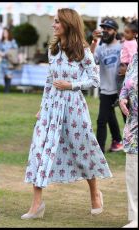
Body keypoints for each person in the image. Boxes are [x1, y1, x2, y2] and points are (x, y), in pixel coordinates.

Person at [21, 8, 112, 220]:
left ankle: (95, 193)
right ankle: (36, 205)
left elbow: (94, 81)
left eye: (56, 22)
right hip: (51, 107)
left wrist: (71, 85)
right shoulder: (53, 50)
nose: (53, 25)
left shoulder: (82, 50)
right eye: (53, 22)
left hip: (74, 107)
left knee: (83, 151)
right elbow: (48, 82)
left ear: (68, 24)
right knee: (39, 150)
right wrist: (42, 108)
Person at [90, 18, 124, 153]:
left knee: (128, 119)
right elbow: (90, 61)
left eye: (108, 29)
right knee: (102, 120)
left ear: (115, 31)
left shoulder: (122, 45)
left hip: (121, 90)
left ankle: (127, 144)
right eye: (103, 28)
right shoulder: (100, 48)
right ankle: (100, 151)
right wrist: (93, 42)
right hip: (105, 90)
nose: (105, 31)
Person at [119, 50, 138, 228]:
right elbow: (126, 84)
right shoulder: (135, 59)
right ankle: (135, 217)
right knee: (133, 172)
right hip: (134, 127)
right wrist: (122, 98)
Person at [113, 20, 138, 109]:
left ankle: (122, 98)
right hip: (123, 64)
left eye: (127, 33)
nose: (125, 34)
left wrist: (128, 68)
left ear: (135, 34)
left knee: (122, 83)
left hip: (127, 65)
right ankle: (120, 97)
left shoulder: (132, 43)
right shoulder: (127, 41)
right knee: (119, 82)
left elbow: (133, 56)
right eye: (125, 31)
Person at [0, 27, 18, 93]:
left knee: (9, 75)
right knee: (5, 75)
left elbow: (15, 49)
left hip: (10, 61)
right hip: (3, 61)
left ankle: (7, 90)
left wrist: (7, 53)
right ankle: (6, 88)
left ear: (9, 33)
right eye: (4, 33)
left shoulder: (12, 41)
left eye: (6, 32)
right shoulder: (1, 42)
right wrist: (0, 53)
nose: (4, 34)